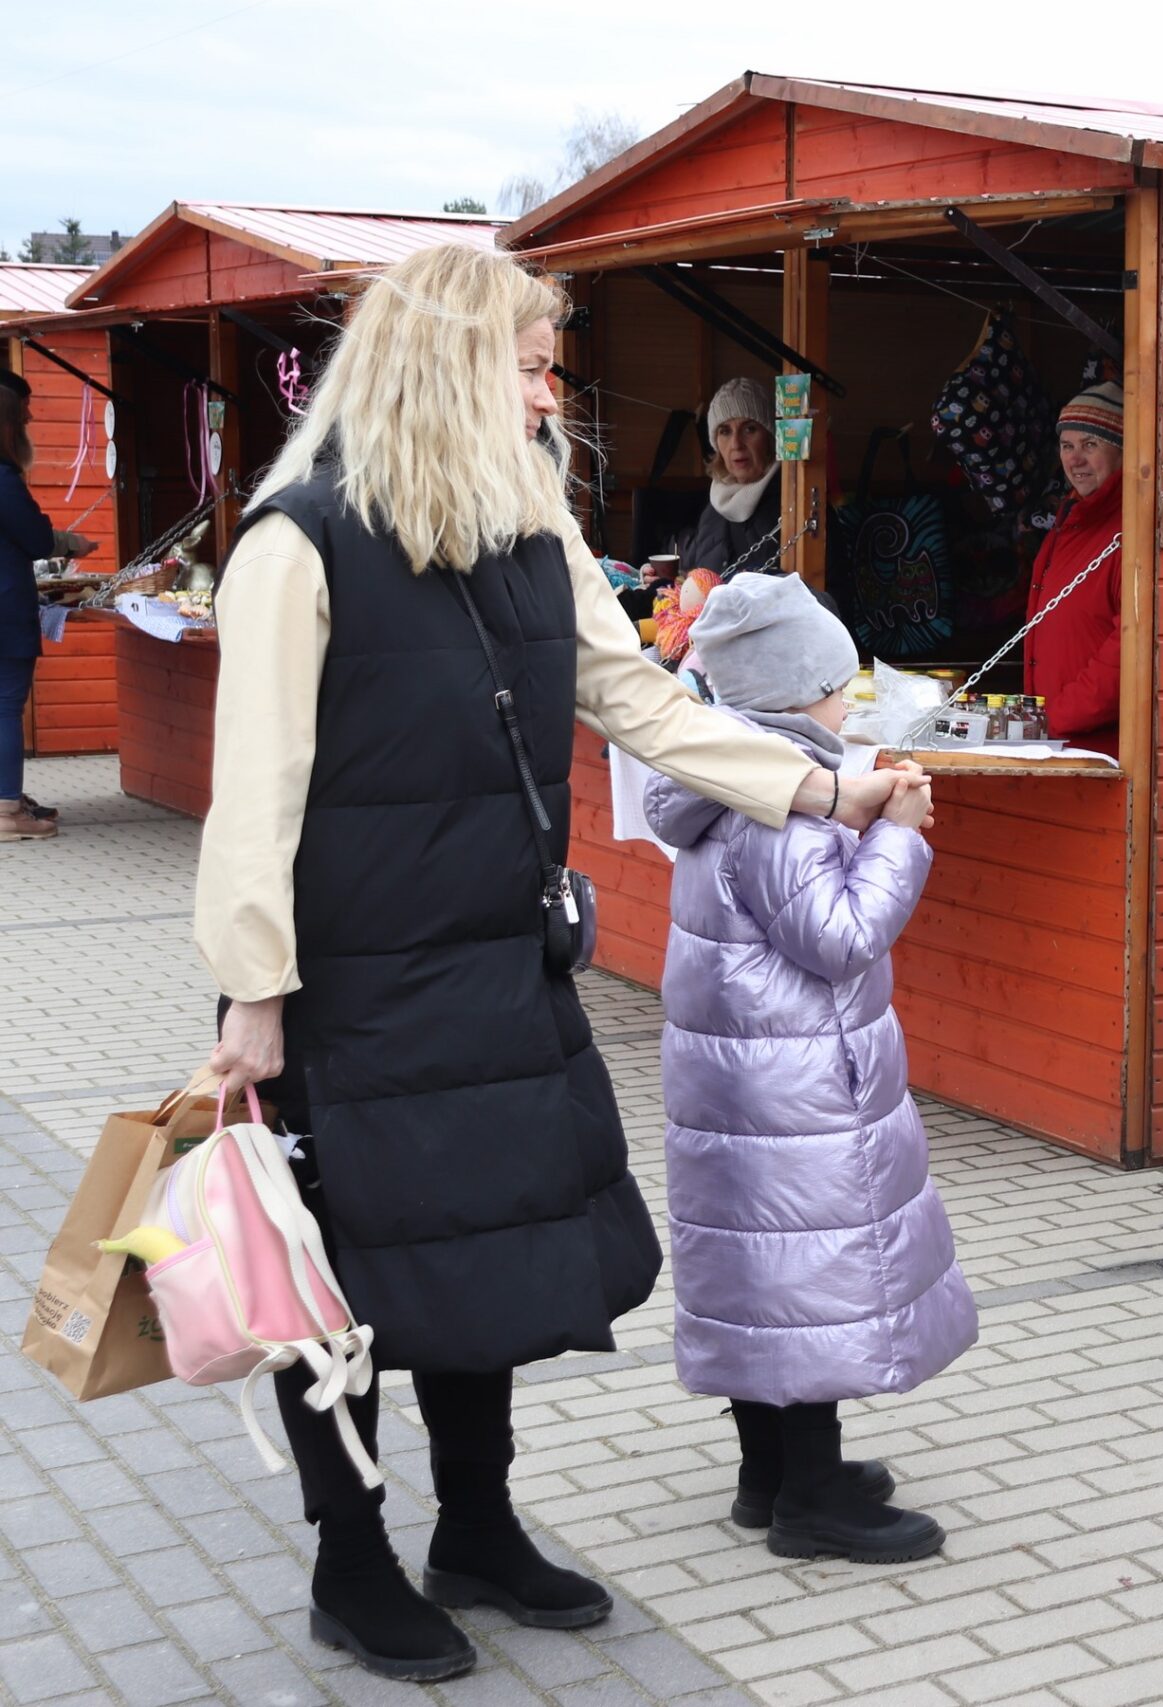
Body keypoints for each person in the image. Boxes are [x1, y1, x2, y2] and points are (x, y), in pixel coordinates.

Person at [194, 244, 923, 1684]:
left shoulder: (531, 523)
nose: (551, 396)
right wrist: (254, 993)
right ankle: (353, 1560)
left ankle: (477, 1529)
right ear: (448, 367)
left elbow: (638, 698)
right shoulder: (298, 539)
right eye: (530, 368)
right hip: (347, 988)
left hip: (499, 962)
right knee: (334, 1282)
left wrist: (819, 788)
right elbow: (255, 789)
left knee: (490, 1257)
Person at [643, 573, 974, 1564]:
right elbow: (839, 936)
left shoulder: (731, 773)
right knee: (807, 1278)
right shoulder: (778, 802)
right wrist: (898, 838)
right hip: (793, 1088)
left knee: (760, 1274)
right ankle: (814, 1499)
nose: (847, 703)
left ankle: (771, 1473)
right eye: (838, 686)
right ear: (798, 694)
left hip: (740, 1080)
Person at [0, 369, 96, 841]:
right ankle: (6, 811)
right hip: (4, 612)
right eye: (23, 414)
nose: (31, 420)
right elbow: (37, 539)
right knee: (5, 706)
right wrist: (71, 542)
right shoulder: (3, 479)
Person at [1023, 381, 1124, 749]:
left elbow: (1128, 649)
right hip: (1057, 742)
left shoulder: (1129, 531)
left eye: (1090, 445)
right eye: (1067, 446)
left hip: (1097, 749)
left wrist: (1058, 719)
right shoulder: (1072, 519)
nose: (1075, 459)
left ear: (1123, 450)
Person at [682, 375, 782, 573]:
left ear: (770, 438)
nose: (736, 444)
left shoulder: (796, 505)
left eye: (749, 429)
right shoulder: (713, 510)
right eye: (725, 431)